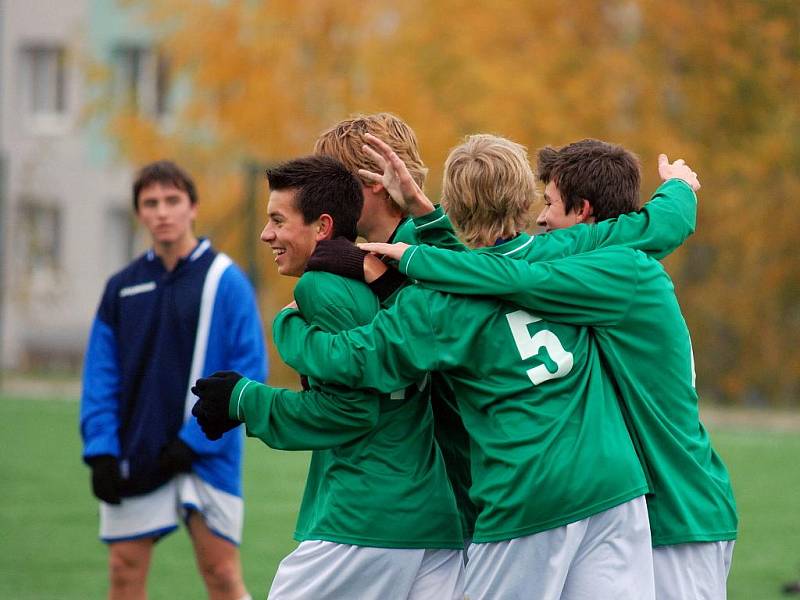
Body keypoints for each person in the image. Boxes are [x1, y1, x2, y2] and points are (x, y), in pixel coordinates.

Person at [272, 138, 659, 599]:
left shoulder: (439, 304)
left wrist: (289, 326)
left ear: (452, 205)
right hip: (612, 481)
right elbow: (478, 267)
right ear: (524, 199)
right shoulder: (564, 260)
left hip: (526, 492)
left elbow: (357, 359)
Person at [360, 137, 738, 600]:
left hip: (678, 510)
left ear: (582, 212)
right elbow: (505, 266)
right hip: (636, 504)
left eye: (550, 203)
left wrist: (417, 256)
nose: (540, 218)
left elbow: (512, 274)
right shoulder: (589, 259)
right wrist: (679, 189)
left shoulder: (616, 272)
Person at [191, 155, 465, 599]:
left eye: (278, 220)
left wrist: (246, 400)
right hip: (433, 516)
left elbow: (350, 411)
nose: (267, 234)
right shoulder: (407, 275)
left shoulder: (321, 287)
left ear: (322, 227)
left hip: (367, 514)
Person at [79, 160, 267, 600]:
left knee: (220, 572)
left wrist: (194, 440)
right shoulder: (121, 287)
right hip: (139, 449)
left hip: (207, 454)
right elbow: (99, 376)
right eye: (150, 203)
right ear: (139, 213)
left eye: (172, 201)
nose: (162, 212)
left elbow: (250, 369)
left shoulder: (226, 281)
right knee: (123, 571)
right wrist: (101, 450)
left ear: (193, 208)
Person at [313, 113, 476, 544]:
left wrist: (295, 332)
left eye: (332, 183)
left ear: (375, 182)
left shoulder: (426, 250)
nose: (319, 199)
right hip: (428, 491)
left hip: (468, 481)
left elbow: (433, 331)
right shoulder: (366, 255)